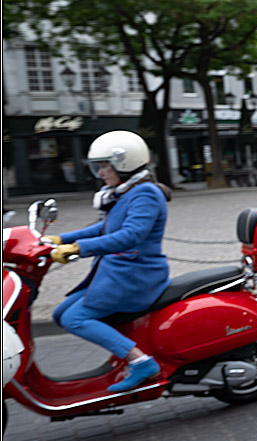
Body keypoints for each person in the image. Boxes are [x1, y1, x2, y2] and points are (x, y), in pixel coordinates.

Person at [44, 130, 171, 393]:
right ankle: (127, 351)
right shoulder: (125, 192)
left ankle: (141, 362)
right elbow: (103, 229)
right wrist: (58, 239)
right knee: (59, 314)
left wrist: (79, 249)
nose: (101, 172)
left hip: (136, 276)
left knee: (74, 319)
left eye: (105, 166)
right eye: (99, 166)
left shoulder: (145, 194)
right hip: (116, 273)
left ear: (124, 164)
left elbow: (131, 235)